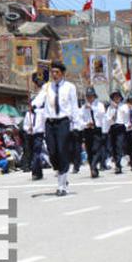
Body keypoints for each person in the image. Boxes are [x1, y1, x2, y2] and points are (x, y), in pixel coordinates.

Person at [33, 61, 79, 196]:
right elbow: (39, 99)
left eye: (57, 72)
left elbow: (74, 106)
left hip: (63, 122)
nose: (54, 74)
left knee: (62, 151)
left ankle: (61, 186)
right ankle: (62, 175)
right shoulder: (47, 87)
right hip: (50, 123)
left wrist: (76, 125)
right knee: (52, 153)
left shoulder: (70, 87)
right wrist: (34, 104)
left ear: (62, 73)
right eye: (52, 72)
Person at [84, 88, 108, 178]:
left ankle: (94, 166)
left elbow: (101, 113)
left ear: (94, 96)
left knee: (96, 149)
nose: (89, 98)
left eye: (91, 96)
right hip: (88, 130)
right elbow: (80, 118)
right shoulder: (84, 107)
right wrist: (86, 124)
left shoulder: (99, 105)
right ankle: (93, 168)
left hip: (97, 130)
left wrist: (92, 108)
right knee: (89, 150)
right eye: (88, 96)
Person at [107, 90, 129, 174]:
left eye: (118, 96)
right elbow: (107, 118)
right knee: (113, 146)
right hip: (113, 127)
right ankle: (116, 162)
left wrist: (120, 109)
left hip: (120, 127)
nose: (116, 98)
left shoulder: (124, 106)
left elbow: (126, 117)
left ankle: (118, 164)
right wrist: (111, 118)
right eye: (114, 97)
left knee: (119, 146)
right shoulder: (110, 108)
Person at [27, 92, 47, 181]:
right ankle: (39, 173)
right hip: (30, 135)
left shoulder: (41, 112)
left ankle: (34, 172)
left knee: (37, 154)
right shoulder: (28, 114)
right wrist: (29, 128)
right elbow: (25, 125)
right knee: (34, 154)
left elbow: (44, 123)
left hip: (38, 135)